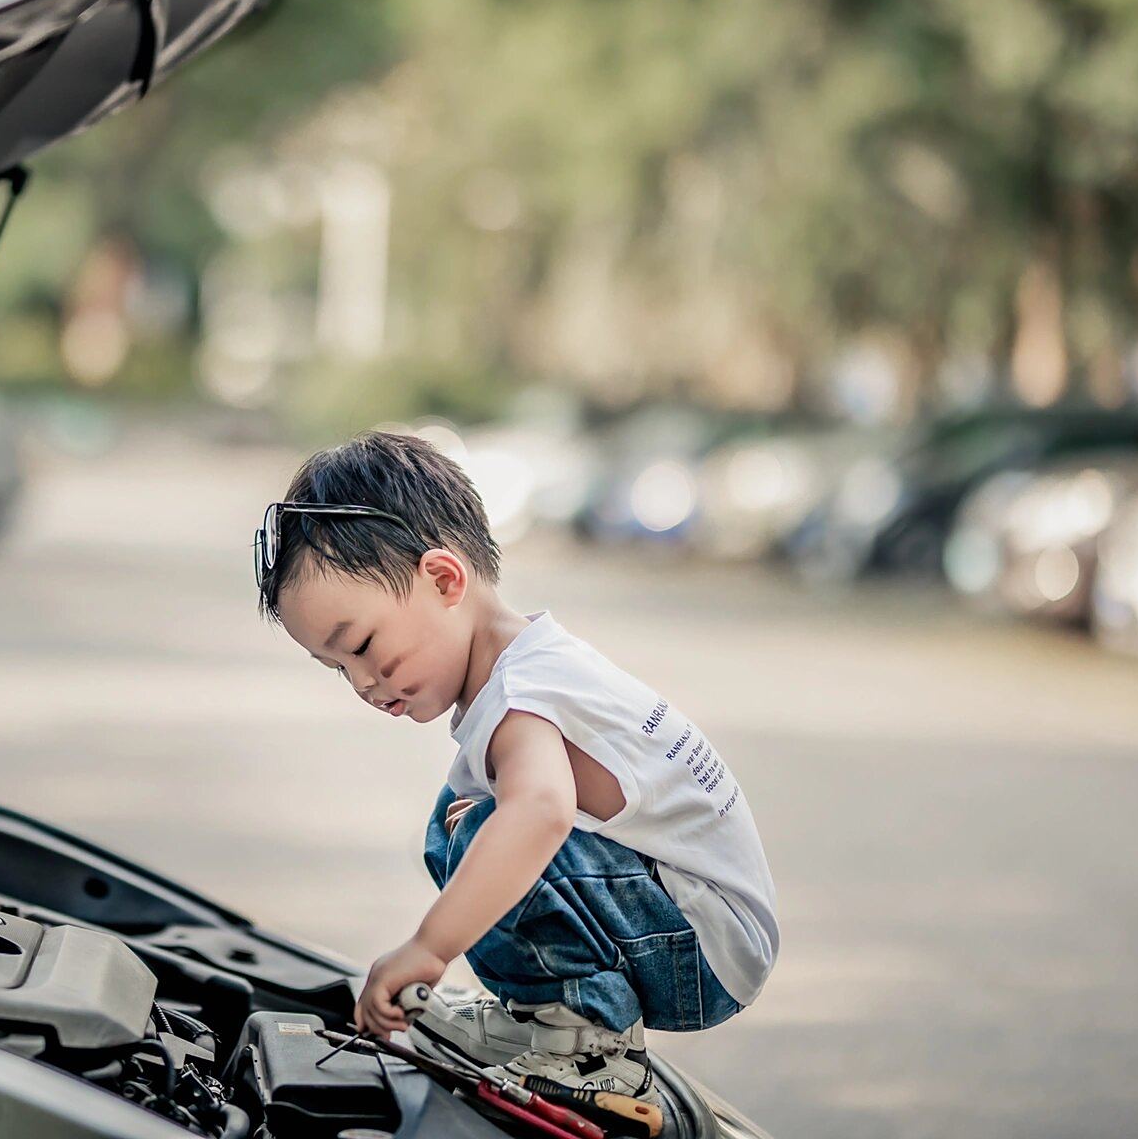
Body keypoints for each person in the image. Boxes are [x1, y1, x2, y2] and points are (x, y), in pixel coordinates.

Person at [253, 430, 778, 1099]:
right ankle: (545, 1018)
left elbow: (543, 811)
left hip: (704, 953)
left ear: (443, 579)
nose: (360, 683)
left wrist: (429, 948)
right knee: (459, 819)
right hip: (685, 925)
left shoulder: (526, 691)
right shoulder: (527, 664)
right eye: (338, 669)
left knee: (494, 827)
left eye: (359, 645)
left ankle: (592, 1048)